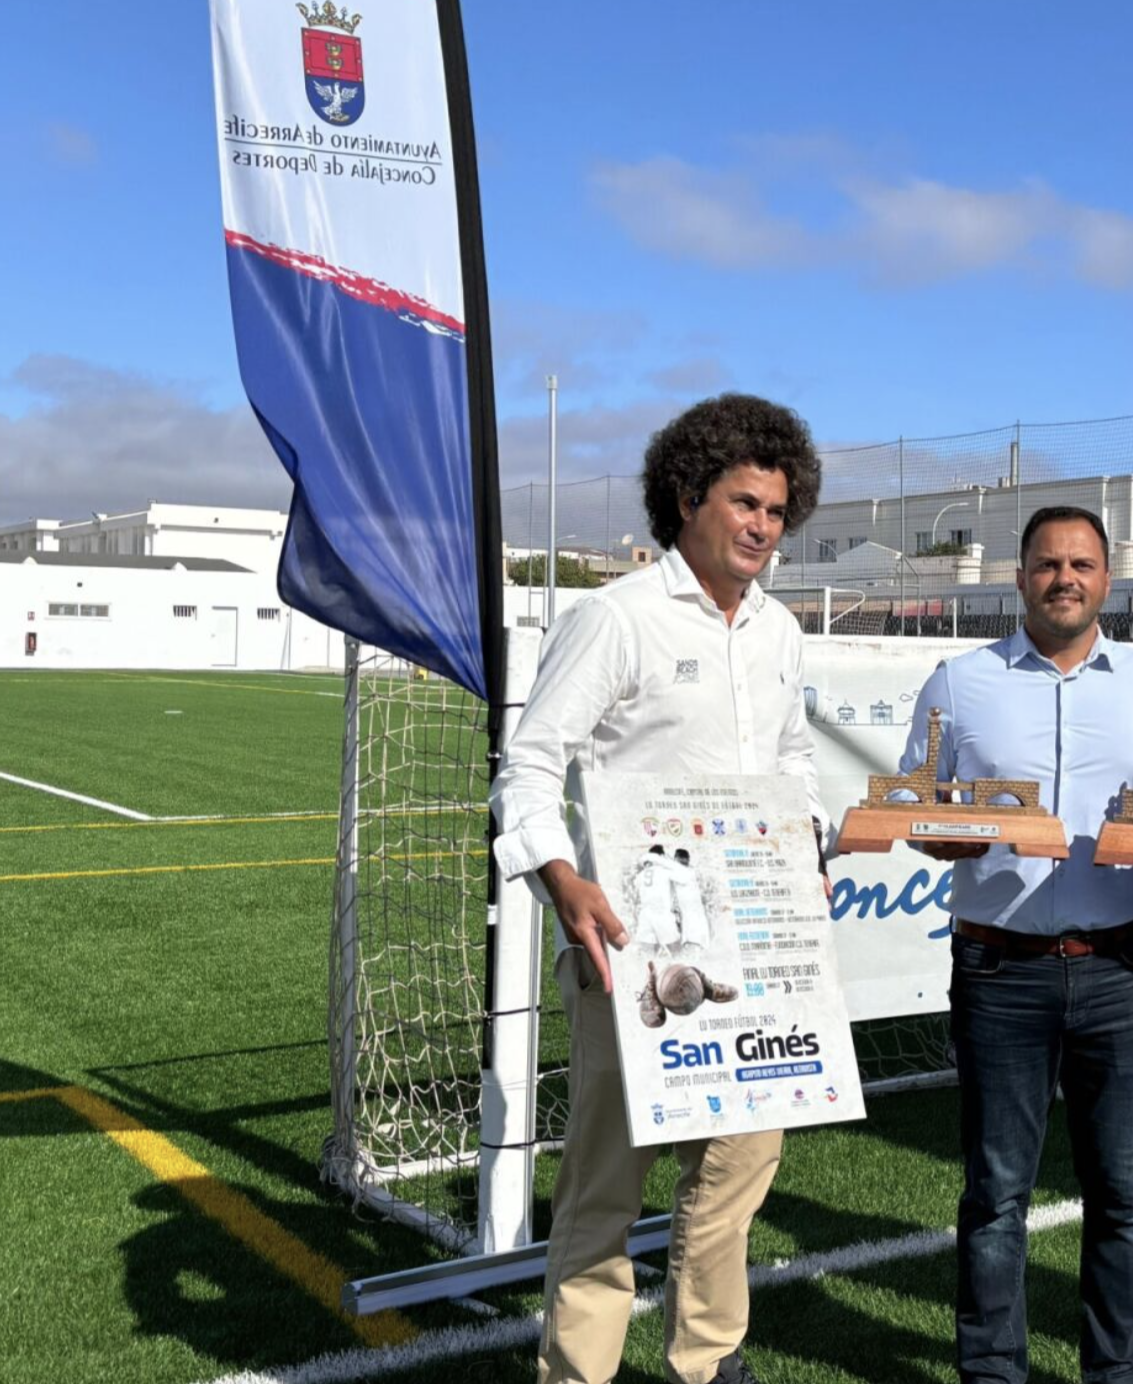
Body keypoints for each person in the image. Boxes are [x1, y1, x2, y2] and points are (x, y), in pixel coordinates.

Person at [488, 393, 827, 1384]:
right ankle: (577, 1372)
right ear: (688, 497)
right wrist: (565, 884)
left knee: (740, 1165)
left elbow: (795, 756)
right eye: (745, 502)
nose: (763, 525)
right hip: (630, 945)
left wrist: (801, 838)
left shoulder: (777, 629)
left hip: (751, 945)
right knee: (607, 1186)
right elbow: (530, 765)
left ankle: (706, 1358)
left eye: (776, 508)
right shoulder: (615, 617)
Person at [898, 505, 1133, 1384]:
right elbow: (920, 809)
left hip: (1118, 966)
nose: (1063, 578)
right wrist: (939, 836)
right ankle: (992, 1373)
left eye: (1081, 563)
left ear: (1108, 578)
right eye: (1046, 564)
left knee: (1126, 1197)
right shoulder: (959, 682)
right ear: (1019, 574)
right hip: (999, 968)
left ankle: (1115, 1371)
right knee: (995, 1197)